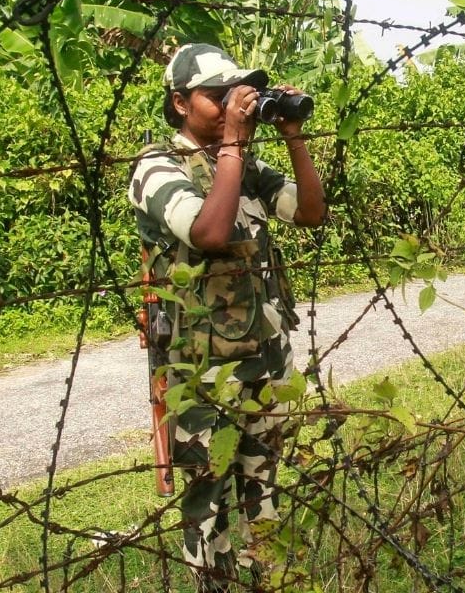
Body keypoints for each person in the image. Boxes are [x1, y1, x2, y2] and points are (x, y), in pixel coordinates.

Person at [127, 43, 325, 591]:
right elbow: (208, 233)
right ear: (180, 103)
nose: (231, 106)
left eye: (237, 94)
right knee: (207, 499)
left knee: (264, 486)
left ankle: (272, 578)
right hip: (202, 370)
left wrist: (293, 136)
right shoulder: (157, 166)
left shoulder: (243, 162)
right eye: (216, 97)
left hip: (264, 353)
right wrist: (235, 145)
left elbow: (310, 212)